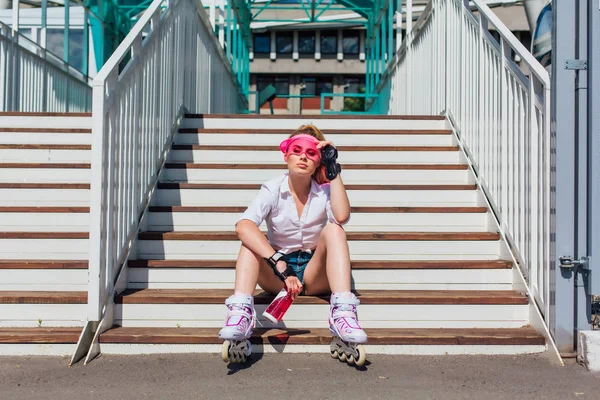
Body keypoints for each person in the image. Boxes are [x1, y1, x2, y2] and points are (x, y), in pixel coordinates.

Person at [218, 123, 368, 350]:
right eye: (296, 150)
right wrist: (279, 263)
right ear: (285, 154)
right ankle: (240, 313)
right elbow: (243, 226)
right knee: (250, 239)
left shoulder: (325, 191)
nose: (303, 157)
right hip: (276, 271)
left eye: (311, 153)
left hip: (314, 273)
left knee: (334, 228)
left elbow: (342, 215)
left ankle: (343, 313)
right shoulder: (272, 188)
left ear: (318, 161)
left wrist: (333, 167)